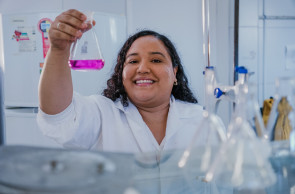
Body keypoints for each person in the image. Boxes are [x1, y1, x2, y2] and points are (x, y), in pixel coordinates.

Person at [37, 9, 205, 153]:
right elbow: (59, 117)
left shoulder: (201, 121)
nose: (143, 69)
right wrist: (59, 50)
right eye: (133, 61)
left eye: (156, 60)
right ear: (121, 73)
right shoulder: (102, 114)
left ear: (174, 72)